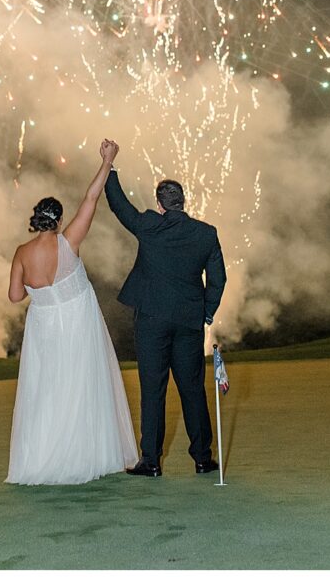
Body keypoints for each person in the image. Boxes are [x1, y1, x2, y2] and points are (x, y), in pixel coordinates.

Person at [6, 141, 138, 485]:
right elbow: (91, 199)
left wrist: (39, 289)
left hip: (44, 327)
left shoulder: (22, 252)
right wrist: (107, 161)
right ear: (59, 219)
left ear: (36, 220)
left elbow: (14, 295)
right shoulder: (69, 242)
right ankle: (85, 455)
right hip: (79, 323)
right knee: (82, 385)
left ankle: (42, 458)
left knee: (46, 390)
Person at [104, 144, 226, 477]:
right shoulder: (206, 233)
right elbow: (218, 278)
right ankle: (202, 458)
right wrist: (207, 312)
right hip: (189, 321)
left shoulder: (149, 225)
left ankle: (152, 461)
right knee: (192, 389)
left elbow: (119, 206)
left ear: (159, 205)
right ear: (183, 203)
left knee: (153, 389)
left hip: (152, 320)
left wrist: (109, 166)